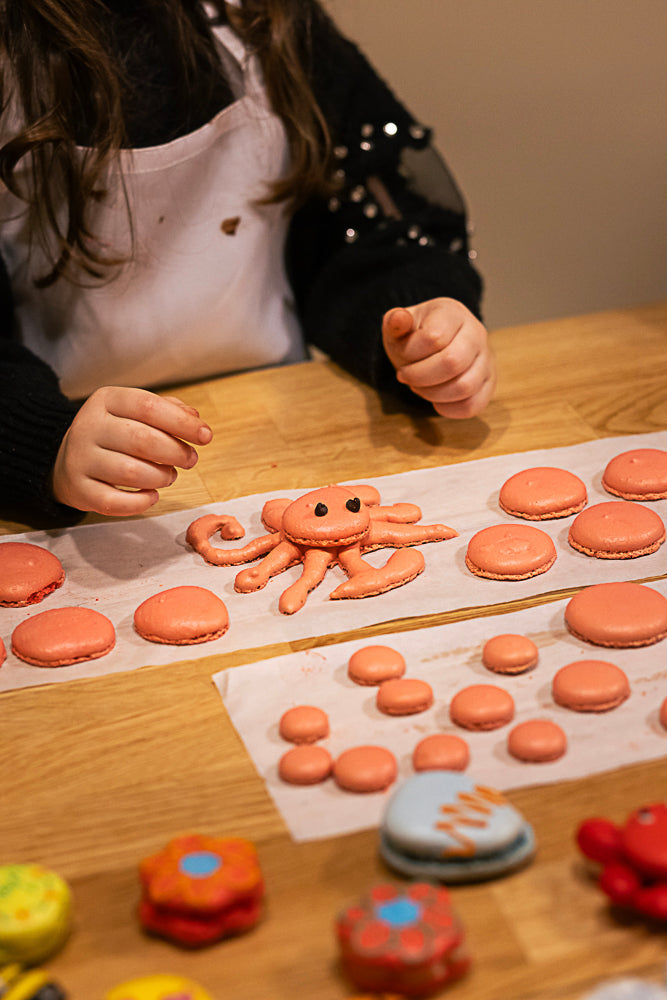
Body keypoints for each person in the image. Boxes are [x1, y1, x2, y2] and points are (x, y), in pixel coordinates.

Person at [0, 0, 495, 527]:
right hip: (80, 467)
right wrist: (42, 442)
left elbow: (366, 227)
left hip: (287, 418)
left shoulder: (265, 14)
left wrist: (415, 329)